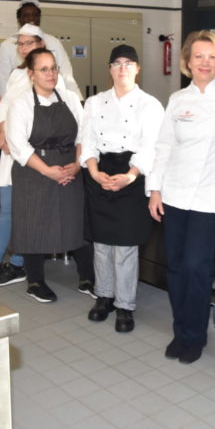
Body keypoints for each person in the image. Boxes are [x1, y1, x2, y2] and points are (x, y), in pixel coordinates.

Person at [147, 31, 215, 364]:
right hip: (174, 192)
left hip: (209, 194)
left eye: (211, 56)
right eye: (198, 56)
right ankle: (181, 330)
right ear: (187, 62)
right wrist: (155, 189)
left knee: (196, 266)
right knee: (176, 267)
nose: (205, 62)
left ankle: (195, 335)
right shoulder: (177, 99)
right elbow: (164, 146)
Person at [0, 24, 65, 288]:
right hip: (11, 152)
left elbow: (56, 114)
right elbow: (5, 106)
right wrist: (2, 130)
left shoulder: (54, 76)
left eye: (28, 44)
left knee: (29, 212)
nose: (23, 49)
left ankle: (19, 264)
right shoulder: (16, 74)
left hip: (34, 155)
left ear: (41, 44)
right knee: (9, 210)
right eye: (20, 45)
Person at [81, 45, 163, 332]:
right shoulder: (94, 102)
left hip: (133, 174)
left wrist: (130, 175)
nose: (123, 68)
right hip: (100, 170)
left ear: (138, 68)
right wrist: (94, 172)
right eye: (117, 63)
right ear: (110, 69)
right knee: (101, 244)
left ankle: (125, 305)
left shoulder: (150, 105)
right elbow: (87, 141)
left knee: (126, 247)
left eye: (129, 63)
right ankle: (104, 296)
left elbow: (151, 147)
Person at [6, 47, 94, 303]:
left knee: (77, 222)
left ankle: (87, 278)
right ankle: (35, 281)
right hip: (34, 172)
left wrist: (76, 166)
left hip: (69, 168)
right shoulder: (21, 103)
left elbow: (83, 135)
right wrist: (47, 171)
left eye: (53, 68)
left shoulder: (68, 97)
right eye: (43, 69)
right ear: (31, 74)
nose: (50, 74)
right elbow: (18, 146)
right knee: (34, 223)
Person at [0, 0, 80, 98]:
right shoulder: (7, 46)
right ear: (19, 19)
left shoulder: (54, 42)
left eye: (35, 15)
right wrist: (4, 110)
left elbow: (68, 77)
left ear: (42, 44)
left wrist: (78, 101)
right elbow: (3, 82)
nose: (31, 18)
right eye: (26, 15)